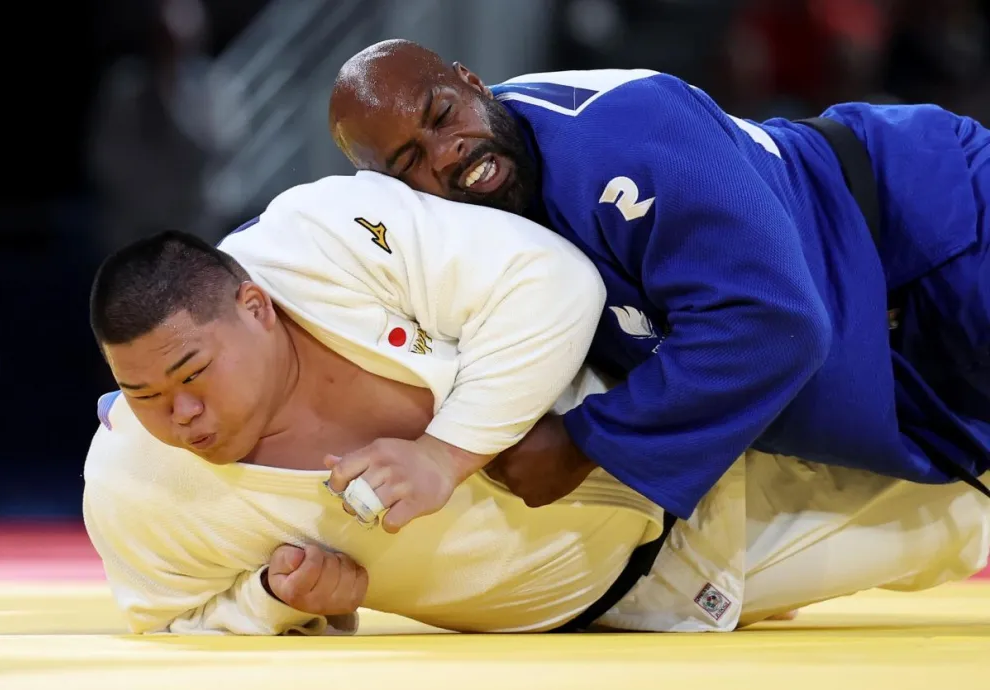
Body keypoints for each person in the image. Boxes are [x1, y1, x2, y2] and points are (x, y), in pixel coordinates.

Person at [82, 173, 990, 635]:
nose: (181, 415)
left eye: (192, 374)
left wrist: (443, 455)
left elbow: (550, 281)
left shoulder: (325, 237)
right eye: (145, 395)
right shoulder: (135, 484)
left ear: (254, 306)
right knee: (956, 524)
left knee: (925, 374)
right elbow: (163, 626)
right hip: (646, 590)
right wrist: (277, 599)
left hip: (665, 417)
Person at [328, 40, 990, 523]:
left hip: (931, 211)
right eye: (411, 159)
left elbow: (772, 319)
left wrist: (590, 440)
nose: (448, 152)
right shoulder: (449, 232)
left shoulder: (617, 135)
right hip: (877, 310)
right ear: (390, 191)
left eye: (443, 115)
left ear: (472, 81)